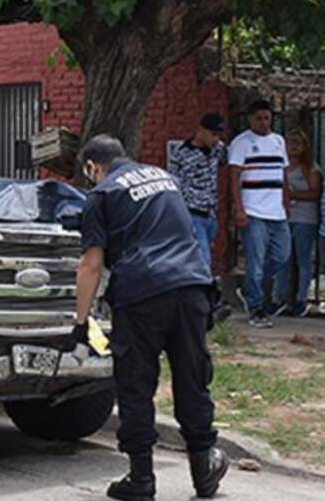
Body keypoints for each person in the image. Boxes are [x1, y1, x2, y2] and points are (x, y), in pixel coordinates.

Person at [63, 134, 228, 501]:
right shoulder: (164, 177)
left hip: (141, 294)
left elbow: (90, 264)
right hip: (191, 287)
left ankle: (141, 479)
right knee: (192, 377)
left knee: (136, 383)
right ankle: (204, 471)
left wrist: (80, 322)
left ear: (93, 167)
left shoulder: (102, 194)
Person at [229, 99, 290, 328]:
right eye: (259, 118)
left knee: (281, 256)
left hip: (277, 211)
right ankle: (256, 307)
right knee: (255, 262)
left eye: (267, 118)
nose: (264, 122)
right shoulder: (241, 143)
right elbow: (234, 177)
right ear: (250, 119)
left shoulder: (278, 141)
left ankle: (249, 289)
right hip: (253, 210)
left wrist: (285, 200)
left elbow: (283, 173)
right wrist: (239, 208)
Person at [271, 131, 320, 317]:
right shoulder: (282, 167)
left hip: (304, 219)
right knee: (283, 258)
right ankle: (278, 298)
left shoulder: (310, 168)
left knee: (303, 260)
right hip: (284, 217)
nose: (293, 147)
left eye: (298, 143)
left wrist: (290, 195)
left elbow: (314, 194)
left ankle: (301, 300)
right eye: (290, 143)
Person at [168, 113, 226, 268]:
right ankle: (204, 291)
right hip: (193, 212)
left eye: (219, 136)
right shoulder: (182, 153)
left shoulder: (218, 149)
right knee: (203, 259)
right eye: (213, 135)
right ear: (201, 130)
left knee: (202, 256)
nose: (216, 140)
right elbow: (174, 183)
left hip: (211, 213)